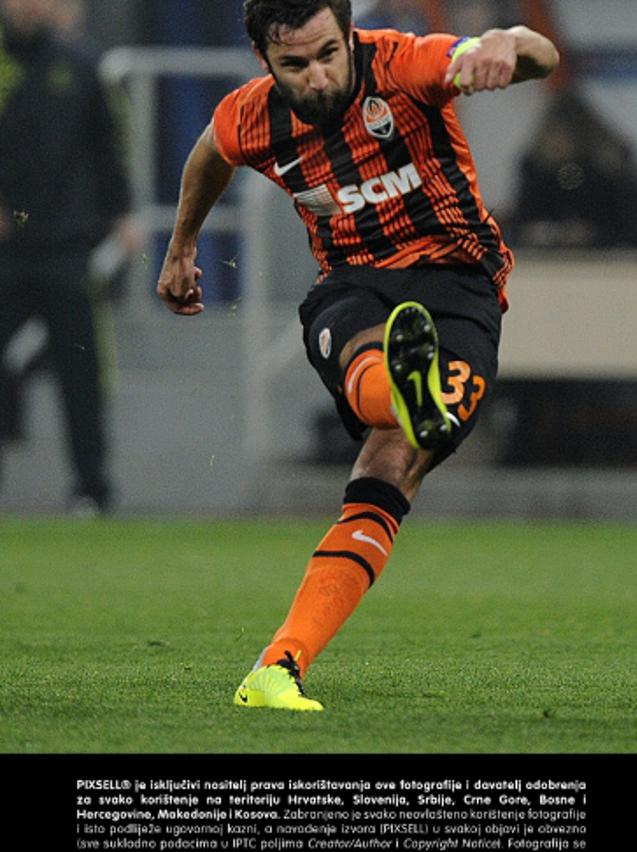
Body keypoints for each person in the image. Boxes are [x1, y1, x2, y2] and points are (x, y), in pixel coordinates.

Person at [156, 0, 557, 711]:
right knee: (387, 395)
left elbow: (540, 55)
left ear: (348, 35)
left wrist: (503, 43)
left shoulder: (402, 64)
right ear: (265, 62)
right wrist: (183, 244)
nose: (317, 76)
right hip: (350, 284)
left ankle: (278, 663)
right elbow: (208, 156)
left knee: (388, 465)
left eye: (328, 54)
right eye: (294, 65)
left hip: (458, 283)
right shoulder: (253, 115)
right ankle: (408, 393)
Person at [0, 0, 142, 514]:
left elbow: (107, 143)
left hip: (67, 246)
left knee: (80, 374)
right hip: (6, 252)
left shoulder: (81, 63)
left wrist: (121, 213)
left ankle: (92, 491)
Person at [512, 89, 637, 248]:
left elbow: (633, 228)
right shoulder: (537, 172)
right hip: (548, 261)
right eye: (553, 134)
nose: (557, 143)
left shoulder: (608, 173)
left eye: (564, 134)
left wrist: (593, 233)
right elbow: (523, 223)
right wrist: (542, 232)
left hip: (608, 260)